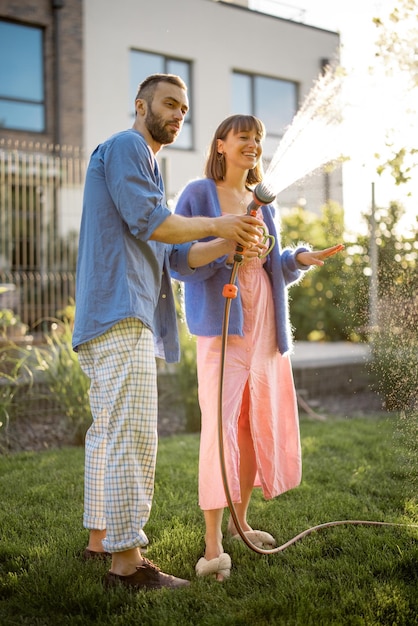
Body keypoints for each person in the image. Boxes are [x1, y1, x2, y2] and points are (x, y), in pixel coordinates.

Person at [72, 77, 264, 592]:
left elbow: (177, 256)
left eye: (184, 107)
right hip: (120, 309)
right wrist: (218, 222)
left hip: (111, 313)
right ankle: (128, 565)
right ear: (141, 105)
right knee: (131, 434)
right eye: (169, 104)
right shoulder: (127, 146)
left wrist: (228, 241)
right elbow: (151, 221)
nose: (178, 113)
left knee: (108, 431)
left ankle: (99, 542)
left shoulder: (149, 167)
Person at [171, 114, 344, 581]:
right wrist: (226, 249)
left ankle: (241, 524)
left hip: (264, 323)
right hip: (223, 327)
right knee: (219, 429)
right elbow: (177, 262)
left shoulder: (263, 200)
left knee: (250, 427)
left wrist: (299, 259)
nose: (253, 144)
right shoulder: (198, 194)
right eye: (244, 136)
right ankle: (211, 549)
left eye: (259, 138)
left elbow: (272, 267)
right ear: (222, 144)